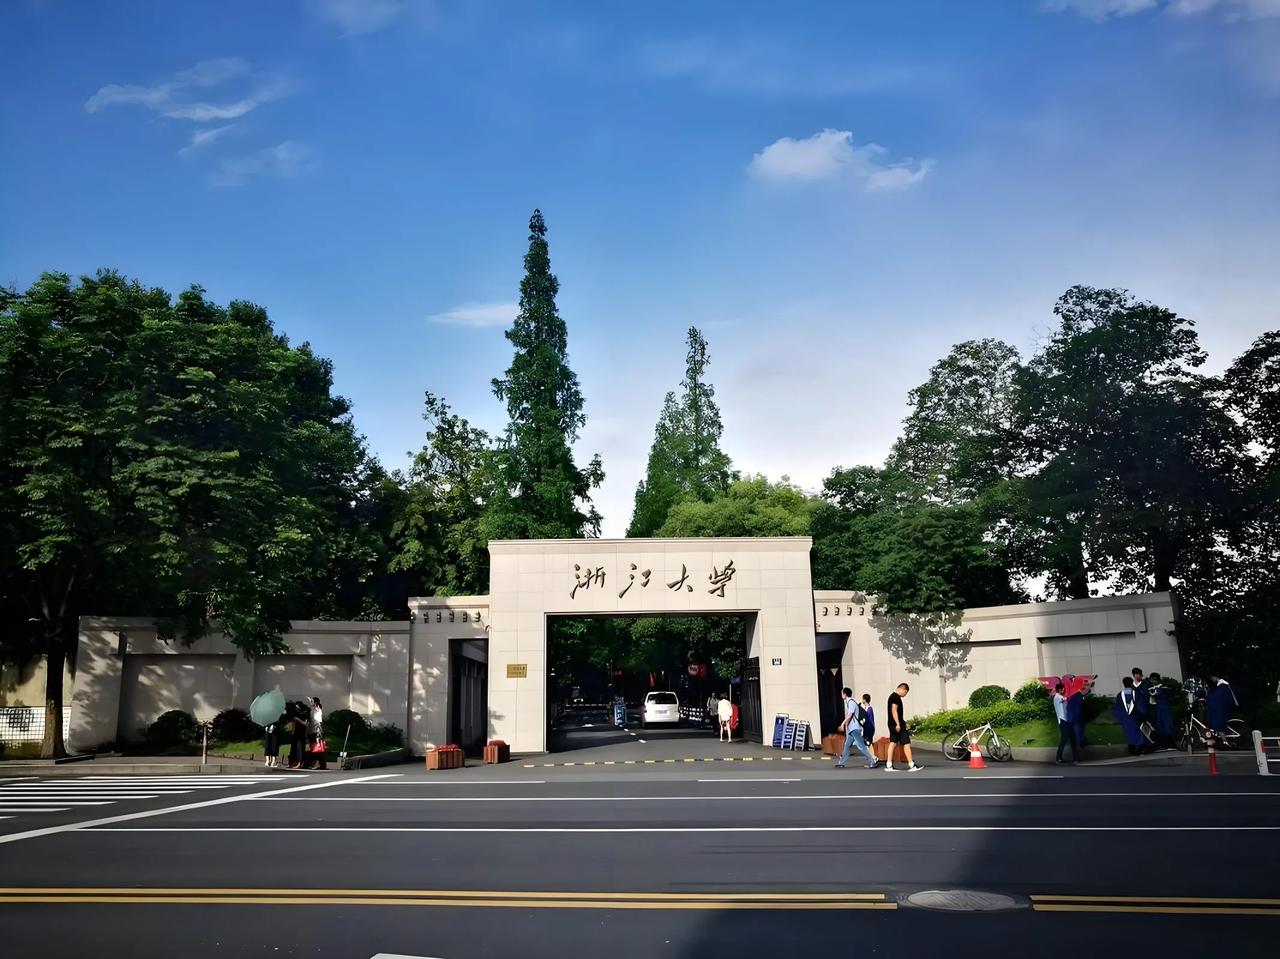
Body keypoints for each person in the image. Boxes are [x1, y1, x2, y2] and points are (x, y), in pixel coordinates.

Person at [834, 687, 877, 769]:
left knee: (861, 746)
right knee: (847, 745)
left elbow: (850, 715)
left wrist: (842, 724)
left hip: (854, 728)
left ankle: (872, 761)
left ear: (845, 694)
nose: (841, 695)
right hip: (851, 729)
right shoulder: (849, 702)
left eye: (842, 693)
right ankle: (842, 763)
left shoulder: (851, 702)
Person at [884, 683, 922, 772]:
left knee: (893, 742)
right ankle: (911, 765)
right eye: (906, 693)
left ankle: (889, 765)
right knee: (906, 743)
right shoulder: (895, 697)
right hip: (898, 725)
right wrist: (898, 724)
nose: (905, 695)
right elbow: (894, 710)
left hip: (891, 723)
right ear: (903, 690)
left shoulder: (892, 696)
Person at [1113, 677, 1145, 755]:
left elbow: (1117, 707)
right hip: (1135, 716)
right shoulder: (1135, 693)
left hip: (1125, 718)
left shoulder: (1120, 695)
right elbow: (1140, 706)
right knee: (1137, 732)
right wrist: (1143, 714)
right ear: (1131, 683)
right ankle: (1139, 748)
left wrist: (1119, 717)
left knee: (1128, 732)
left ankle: (1132, 749)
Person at [1054, 683, 1080, 765]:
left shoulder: (1060, 697)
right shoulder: (1057, 697)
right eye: (1063, 689)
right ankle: (1058, 758)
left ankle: (1075, 758)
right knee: (1064, 740)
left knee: (1072, 739)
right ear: (1060, 690)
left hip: (1066, 720)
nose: (1064, 690)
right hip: (1063, 721)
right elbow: (1064, 699)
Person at [1148, 672, 1176, 749]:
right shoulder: (1151, 689)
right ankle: (1163, 744)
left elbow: (1158, 694)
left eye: (1154, 679)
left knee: (1167, 727)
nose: (1153, 681)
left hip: (1164, 710)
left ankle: (1171, 744)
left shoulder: (1163, 688)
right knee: (1159, 727)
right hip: (1157, 710)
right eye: (1152, 679)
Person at [308, 696, 327, 770]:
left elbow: (317, 708)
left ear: (316, 703)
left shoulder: (318, 709)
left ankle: (319, 763)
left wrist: (312, 701)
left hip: (317, 731)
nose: (310, 703)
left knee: (317, 748)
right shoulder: (312, 709)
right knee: (313, 748)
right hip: (311, 730)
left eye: (312, 701)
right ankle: (318, 763)